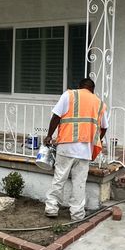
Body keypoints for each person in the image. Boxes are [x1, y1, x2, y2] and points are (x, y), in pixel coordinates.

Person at [42, 78, 109, 222]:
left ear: (79, 87)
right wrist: (96, 139)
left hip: (66, 145)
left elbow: (56, 117)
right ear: (92, 90)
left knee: (59, 178)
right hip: (84, 149)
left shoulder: (70, 95)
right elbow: (104, 127)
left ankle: (52, 208)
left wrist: (49, 136)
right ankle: (77, 214)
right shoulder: (99, 103)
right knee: (79, 183)